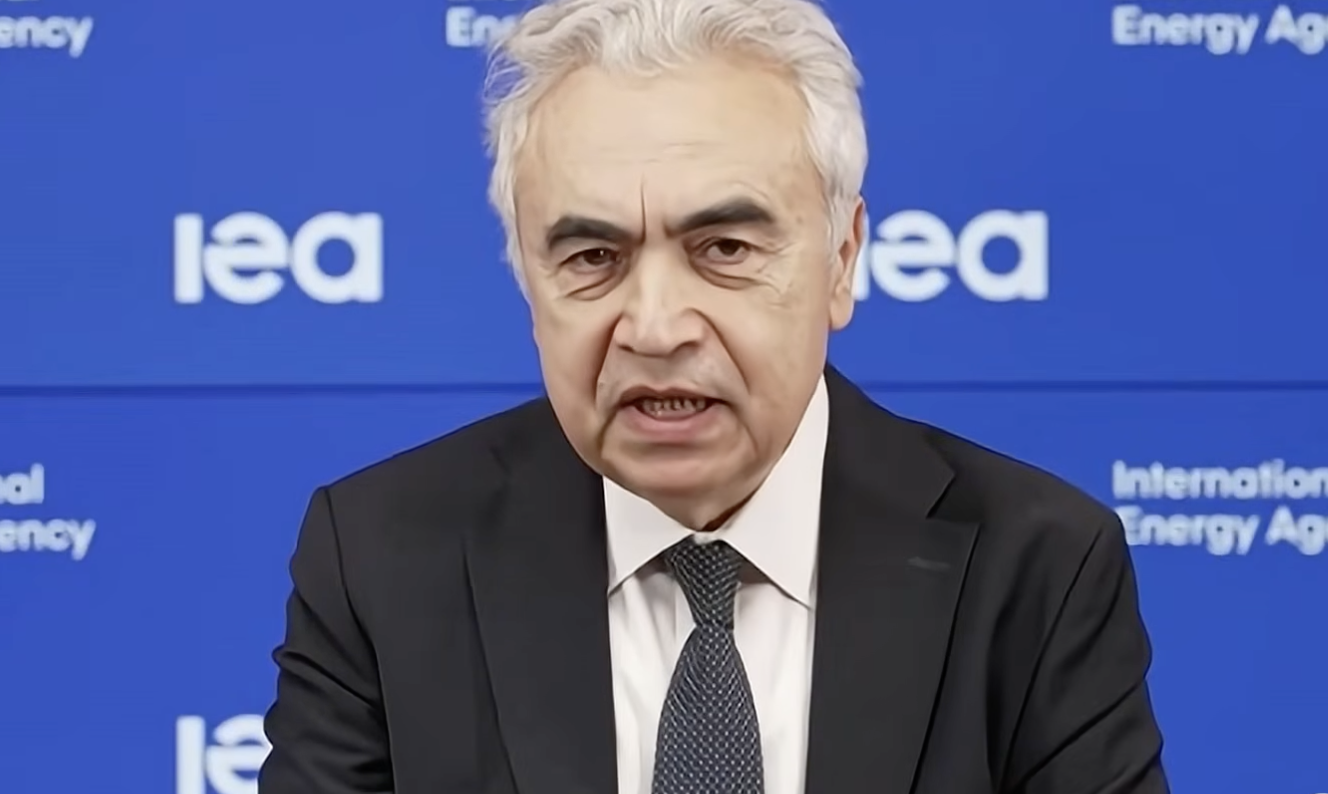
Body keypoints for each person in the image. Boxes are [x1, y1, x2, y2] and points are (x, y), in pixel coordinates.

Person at [257, 0, 1169, 790]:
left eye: (724, 250)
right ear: (528, 281)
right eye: (593, 257)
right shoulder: (380, 559)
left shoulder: (1037, 567)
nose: (655, 327)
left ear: (842, 260)